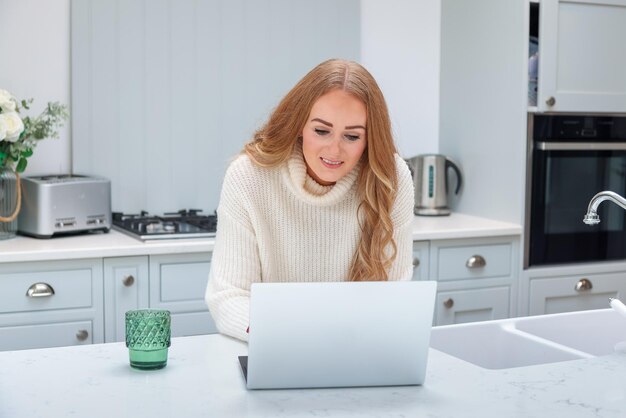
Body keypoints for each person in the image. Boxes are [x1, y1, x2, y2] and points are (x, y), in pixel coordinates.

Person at [205, 58, 414, 342]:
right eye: (321, 130)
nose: (334, 149)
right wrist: (292, 336)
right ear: (299, 125)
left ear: (369, 140)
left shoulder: (391, 178)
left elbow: (395, 295)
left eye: (352, 136)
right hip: (276, 347)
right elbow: (229, 298)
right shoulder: (248, 176)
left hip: (356, 350)